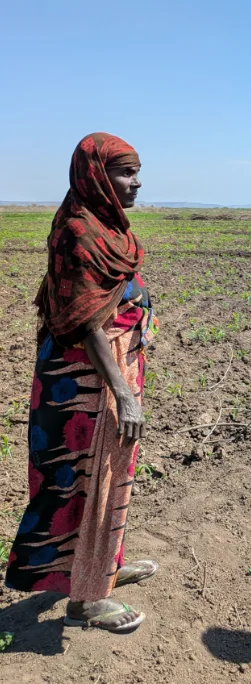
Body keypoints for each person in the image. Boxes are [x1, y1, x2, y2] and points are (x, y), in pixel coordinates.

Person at [4, 133, 159, 632]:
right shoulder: (79, 230)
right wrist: (123, 394)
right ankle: (87, 600)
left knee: (111, 476)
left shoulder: (107, 223)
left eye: (136, 172)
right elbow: (87, 323)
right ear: (95, 175)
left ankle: (103, 568)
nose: (136, 183)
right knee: (80, 482)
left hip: (113, 371)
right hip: (85, 386)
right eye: (125, 173)